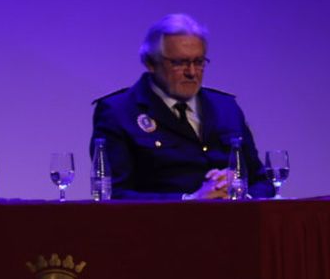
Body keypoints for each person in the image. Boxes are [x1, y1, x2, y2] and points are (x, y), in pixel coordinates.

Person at [90, 13, 270, 200]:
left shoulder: (226, 108)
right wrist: (190, 200)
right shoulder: (118, 112)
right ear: (151, 63)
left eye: (199, 62)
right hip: (162, 226)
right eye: (179, 63)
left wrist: (240, 192)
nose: (192, 72)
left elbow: (262, 182)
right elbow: (112, 195)